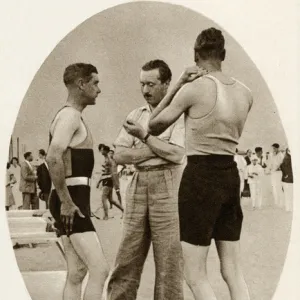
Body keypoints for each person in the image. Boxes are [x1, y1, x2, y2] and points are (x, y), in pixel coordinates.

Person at [148, 28, 252, 300]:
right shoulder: (245, 92)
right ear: (223, 55)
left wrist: (178, 84)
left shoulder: (192, 90)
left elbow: (153, 125)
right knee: (233, 270)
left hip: (201, 176)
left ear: (196, 56)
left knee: (195, 275)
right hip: (230, 175)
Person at [106, 60, 185, 300]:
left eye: (151, 84)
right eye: (142, 84)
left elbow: (177, 154)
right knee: (127, 255)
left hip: (168, 184)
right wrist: (156, 147)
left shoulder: (178, 114)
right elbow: (119, 155)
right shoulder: (135, 114)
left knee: (169, 261)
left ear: (167, 84)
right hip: (138, 183)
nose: (145, 90)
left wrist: (143, 137)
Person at [46, 63, 109, 300]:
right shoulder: (70, 116)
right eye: (95, 83)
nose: (99, 89)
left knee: (77, 272)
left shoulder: (72, 116)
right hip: (71, 202)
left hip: (70, 200)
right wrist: (66, 202)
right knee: (100, 270)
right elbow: (53, 156)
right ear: (81, 84)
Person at [96, 145, 123, 220]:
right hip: (107, 179)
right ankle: (123, 210)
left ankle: (106, 215)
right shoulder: (106, 158)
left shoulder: (109, 158)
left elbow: (113, 171)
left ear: (105, 150)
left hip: (108, 179)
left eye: (101, 150)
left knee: (103, 198)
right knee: (110, 199)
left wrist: (101, 180)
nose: (100, 152)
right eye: (100, 150)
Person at [266, 143, 284, 208]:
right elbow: (270, 164)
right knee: (274, 188)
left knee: (279, 188)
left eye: (274, 148)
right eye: (272, 148)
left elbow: (280, 164)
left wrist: (274, 169)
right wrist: (268, 170)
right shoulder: (271, 155)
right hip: (273, 173)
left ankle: (281, 203)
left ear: (277, 148)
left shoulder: (281, 155)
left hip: (279, 173)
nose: (273, 149)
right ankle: (276, 202)